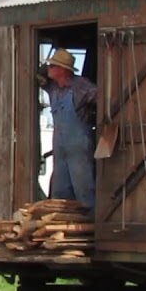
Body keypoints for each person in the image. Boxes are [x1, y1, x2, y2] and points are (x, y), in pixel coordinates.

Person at [40, 48, 98, 214]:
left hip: (78, 146)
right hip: (60, 148)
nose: (49, 68)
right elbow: (39, 73)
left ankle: (89, 227)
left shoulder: (82, 87)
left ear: (62, 70)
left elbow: (104, 98)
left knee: (83, 189)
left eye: (53, 66)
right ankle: (62, 228)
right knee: (60, 191)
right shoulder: (53, 89)